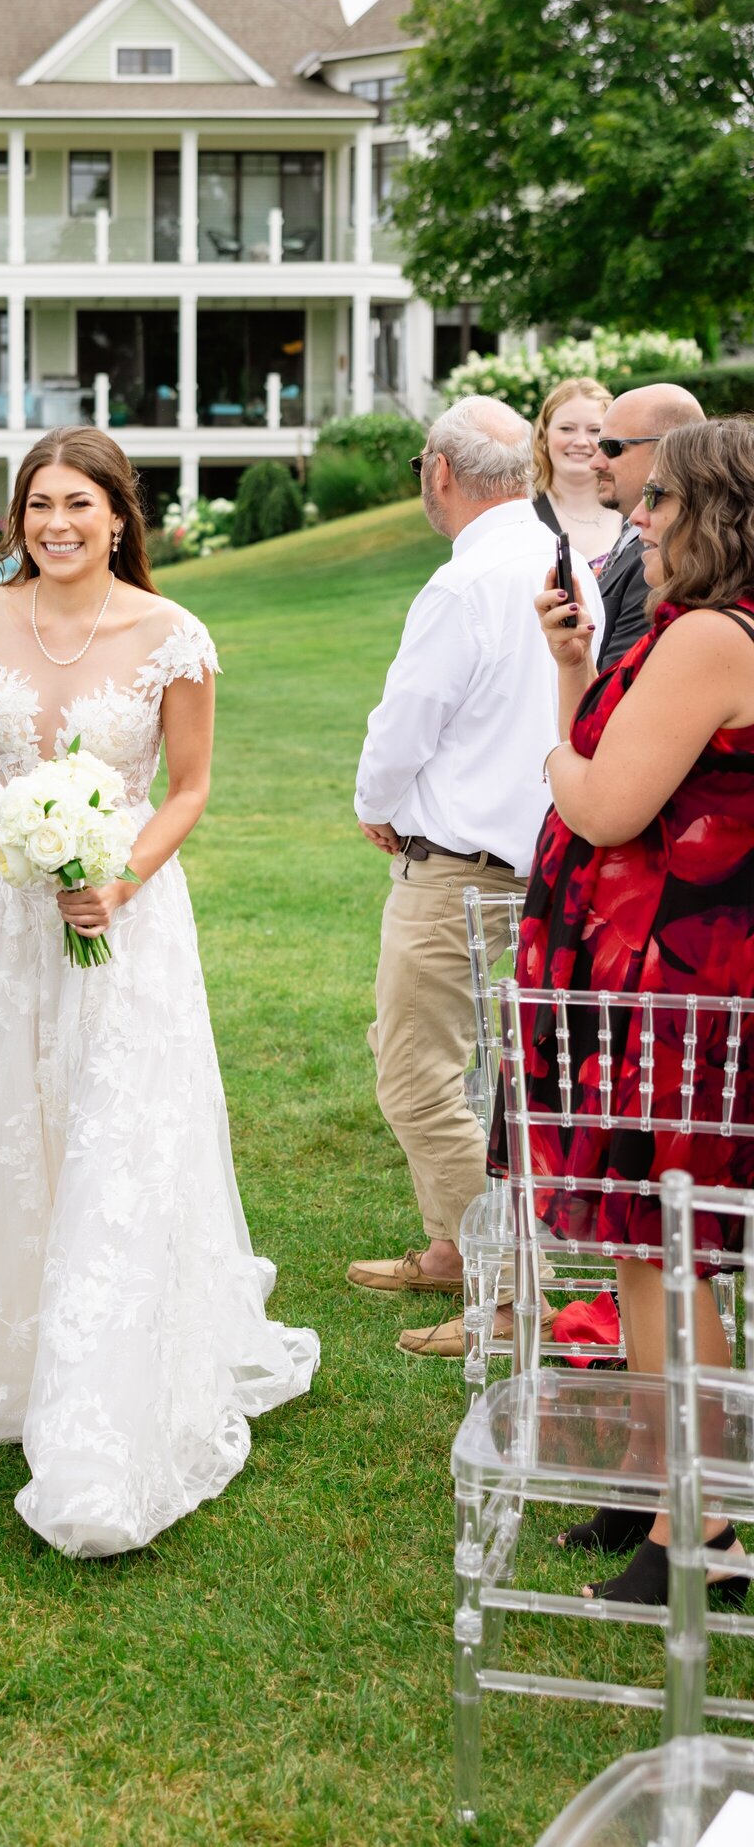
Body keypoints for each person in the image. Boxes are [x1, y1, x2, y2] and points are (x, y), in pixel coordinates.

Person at [0, 428, 320, 1558]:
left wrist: (118, 880)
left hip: (118, 909)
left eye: (78, 503)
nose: (55, 522)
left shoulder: (172, 636)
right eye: (38, 502)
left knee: (106, 1123)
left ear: (118, 514)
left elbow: (188, 789)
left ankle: (100, 1372)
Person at [517, 417, 754, 1605]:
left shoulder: (716, 633)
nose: (639, 517)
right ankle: (666, 1483)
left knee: (672, 1251)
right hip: (652, 990)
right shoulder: (684, 630)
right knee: (650, 1251)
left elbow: (607, 801)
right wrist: (575, 669)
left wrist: (551, 753)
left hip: (679, 999)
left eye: (658, 498)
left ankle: (704, 1525)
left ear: (711, 510)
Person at [349, 396, 603, 1357]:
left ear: (440, 473)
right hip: (544, 861)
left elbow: (406, 719)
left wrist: (375, 801)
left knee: (414, 1072)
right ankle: (455, 1249)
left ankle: (507, 1291)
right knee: (481, 1072)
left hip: (460, 869)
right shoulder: (561, 560)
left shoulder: (463, 583)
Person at [589, 382, 705, 672]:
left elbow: (612, 692)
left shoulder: (668, 556)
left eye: (611, 447)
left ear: (670, 446)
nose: (594, 462)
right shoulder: (634, 533)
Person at [530, 379, 621, 573]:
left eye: (595, 430)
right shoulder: (522, 514)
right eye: (567, 429)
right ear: (544, 435)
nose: (581, 441)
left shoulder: (634, 510)